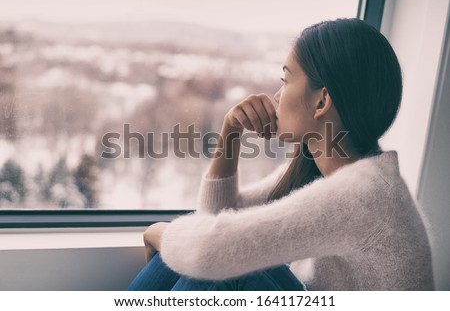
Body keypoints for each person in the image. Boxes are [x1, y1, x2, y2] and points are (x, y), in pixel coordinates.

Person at [128, 18, 434, 291]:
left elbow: (208, 252)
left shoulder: (365, 193)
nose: (277, 95)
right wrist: (231, 132)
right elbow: (219, 219)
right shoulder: (321, 168)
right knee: (205, 258)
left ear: (321, 101)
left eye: (285, 80)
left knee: (221, 265)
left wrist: (160, 234)